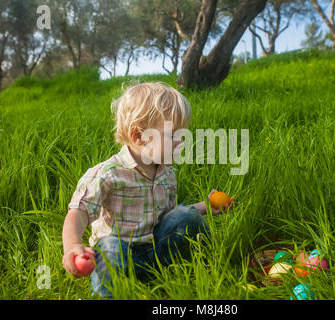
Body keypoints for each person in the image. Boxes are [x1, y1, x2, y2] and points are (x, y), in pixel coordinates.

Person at [62, 82, 235, 298]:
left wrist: (206, 206)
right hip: (121, 255)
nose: (181, 142)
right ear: (138, 136)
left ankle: (212, 265)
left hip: (156, 252)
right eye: (173, 136)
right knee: (110, 248)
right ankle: (105, 295)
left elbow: (167, 217)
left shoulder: (166, 173)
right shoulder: (108, 173)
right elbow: (78, 212)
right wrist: (72, 246)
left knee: (185, 216)